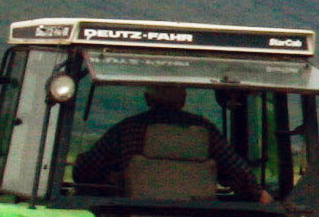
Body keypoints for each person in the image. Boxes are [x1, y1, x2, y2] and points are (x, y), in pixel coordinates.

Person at [71, 82, 263, 201]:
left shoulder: (125, 131)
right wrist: (263, 198)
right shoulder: (206, 133)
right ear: (183, 99)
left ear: (147, 99)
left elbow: (85, 171)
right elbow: (239, 174)